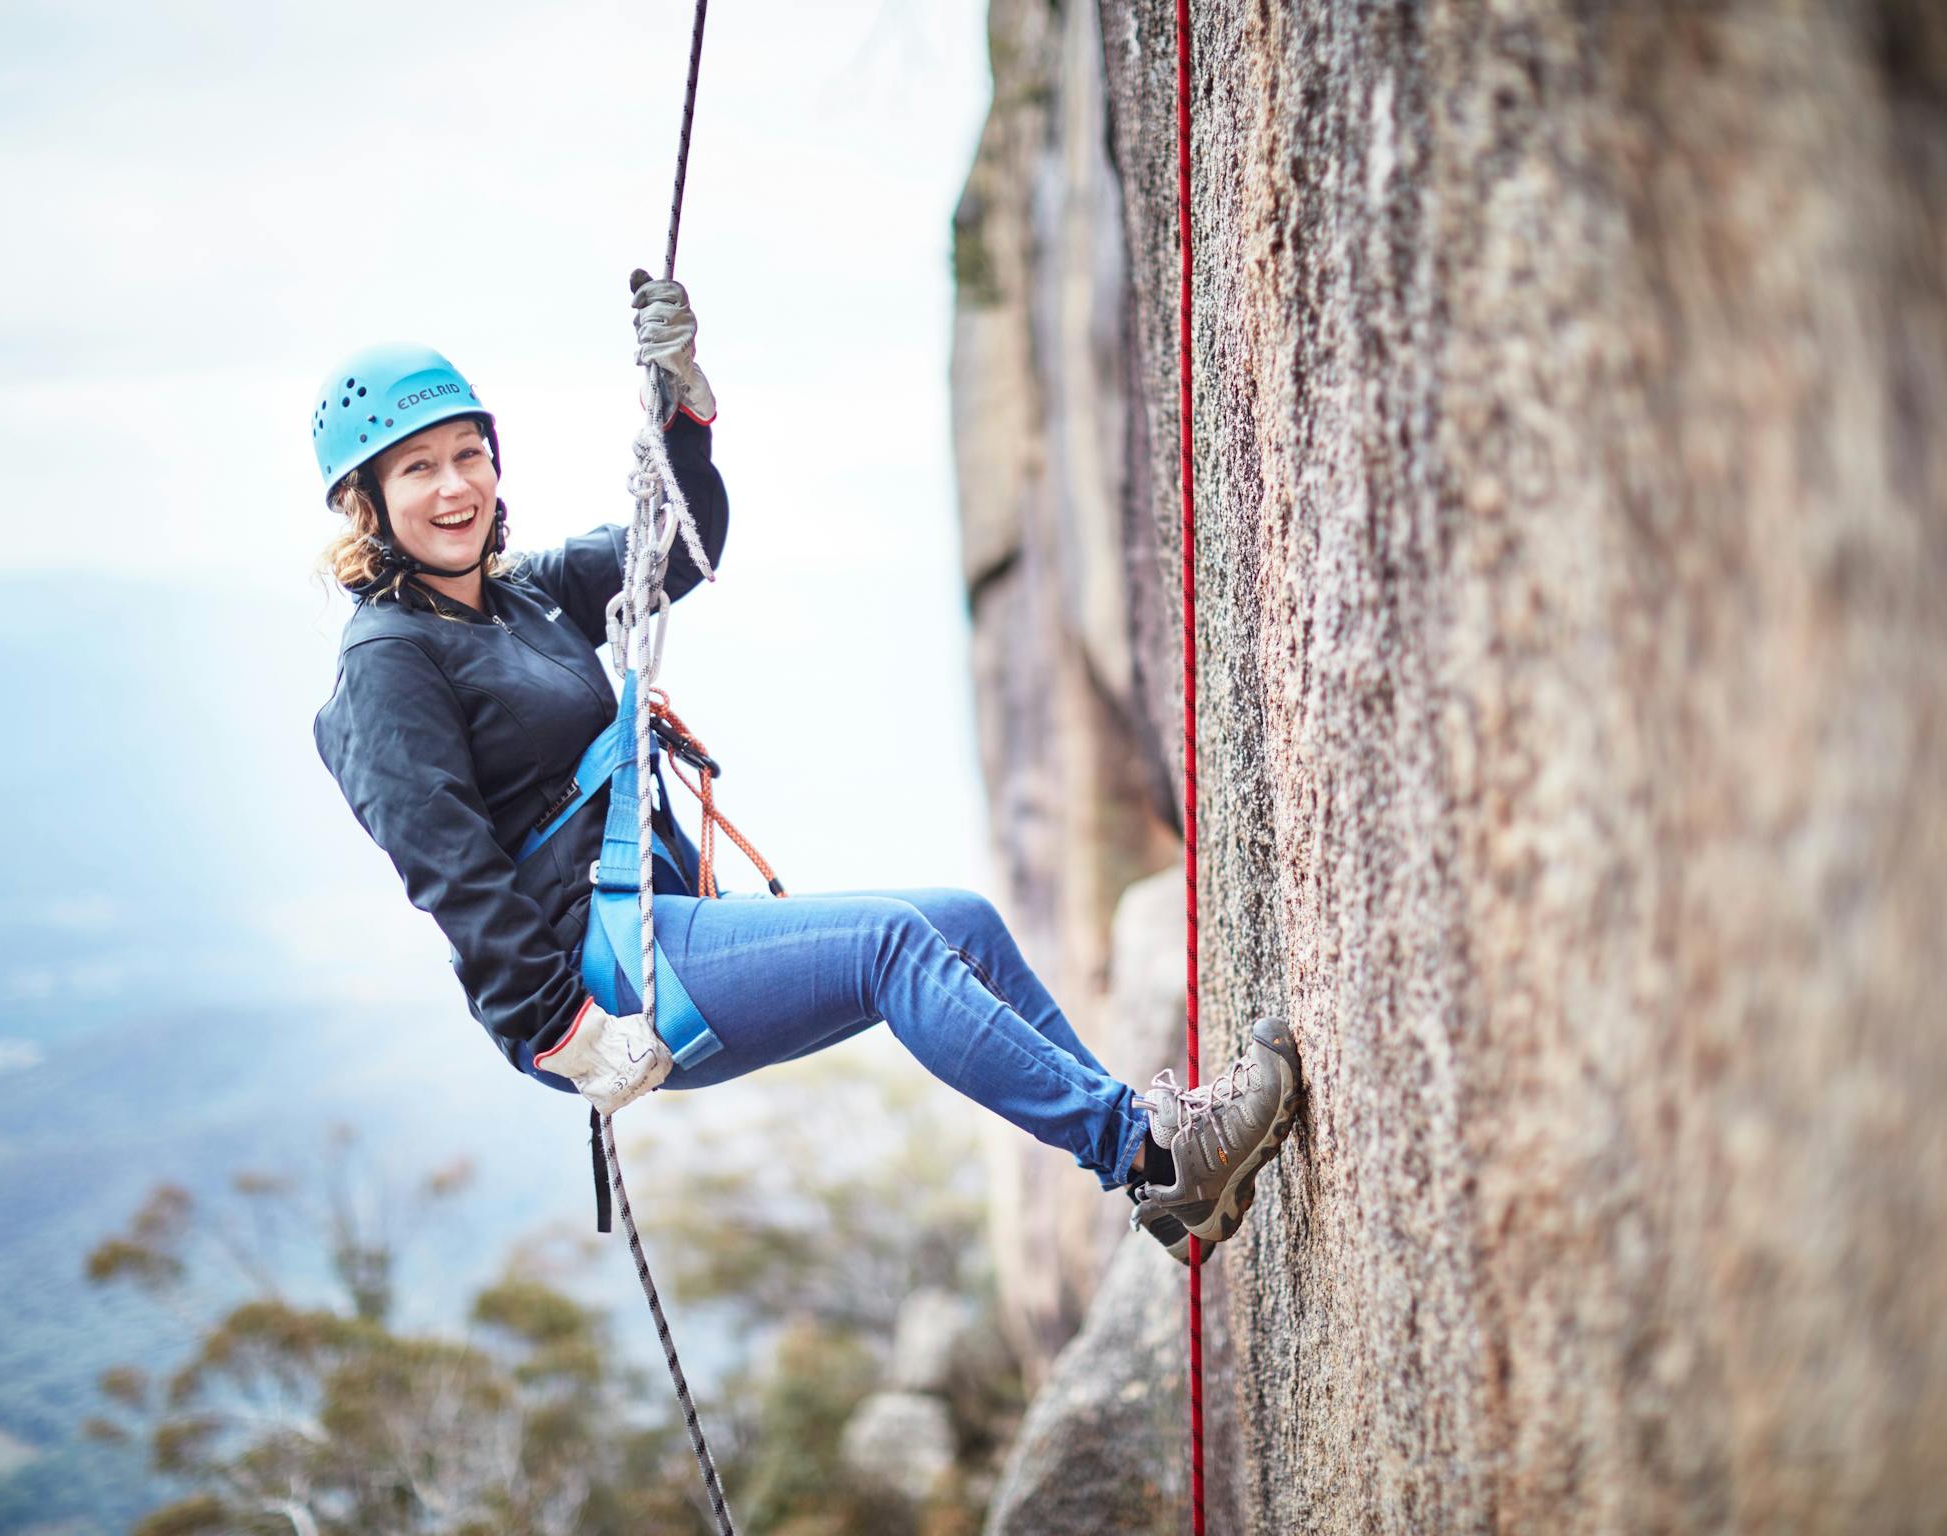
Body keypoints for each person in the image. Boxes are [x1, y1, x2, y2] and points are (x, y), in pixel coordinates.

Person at [308, 277, 1300, 1261]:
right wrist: (558, 1029)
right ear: (366, 503)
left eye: (467, 456)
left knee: (961, 924)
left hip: (645, 921)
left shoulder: (520, 596)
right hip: (592, 973)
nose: (454, 489)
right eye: (416, 471)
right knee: (891, 949)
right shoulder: (389, 658)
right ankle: (1147, 1150)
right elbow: (448, 868)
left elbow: (679, 550)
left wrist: (680, 413)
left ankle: (1154, 1166)